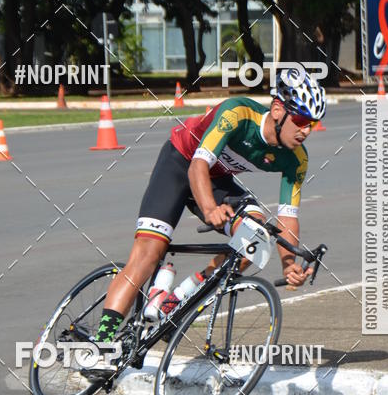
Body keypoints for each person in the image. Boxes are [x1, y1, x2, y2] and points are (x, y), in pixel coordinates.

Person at [93, 69, 326, 352]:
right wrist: (210, 209)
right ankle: (101, 343)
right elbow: (198, 165)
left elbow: (288, 216)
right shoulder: (237, 113)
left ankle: (177, 299)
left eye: (313, 123)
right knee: (147, 254)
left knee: (257, 237)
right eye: (301, 120)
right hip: (181, 163)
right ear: (278, 110)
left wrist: (289, 265)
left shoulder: (297, 159)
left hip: (217, 179)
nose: (306, 130)